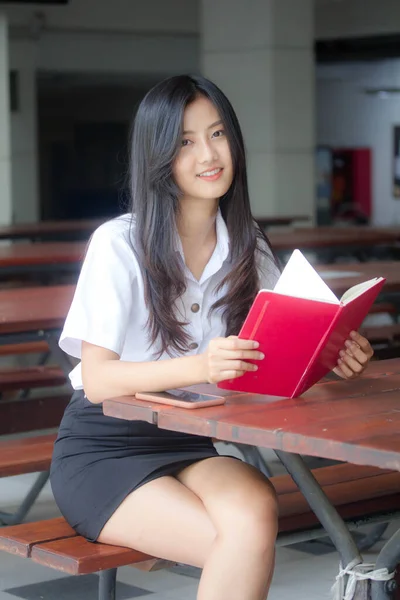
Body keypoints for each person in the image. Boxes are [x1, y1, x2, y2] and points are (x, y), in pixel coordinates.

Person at [50, 74, 374, 600]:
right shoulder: (118, 244)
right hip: (106, 448)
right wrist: (203, 366)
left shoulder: (249, 246)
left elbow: (282, 352)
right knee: (242, 544)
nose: (209, 153)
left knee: (254, 513)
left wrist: (332, 350)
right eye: (185, 140)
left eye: (218, 134)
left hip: (194, 441)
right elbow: (99, 380)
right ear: (158, 155)